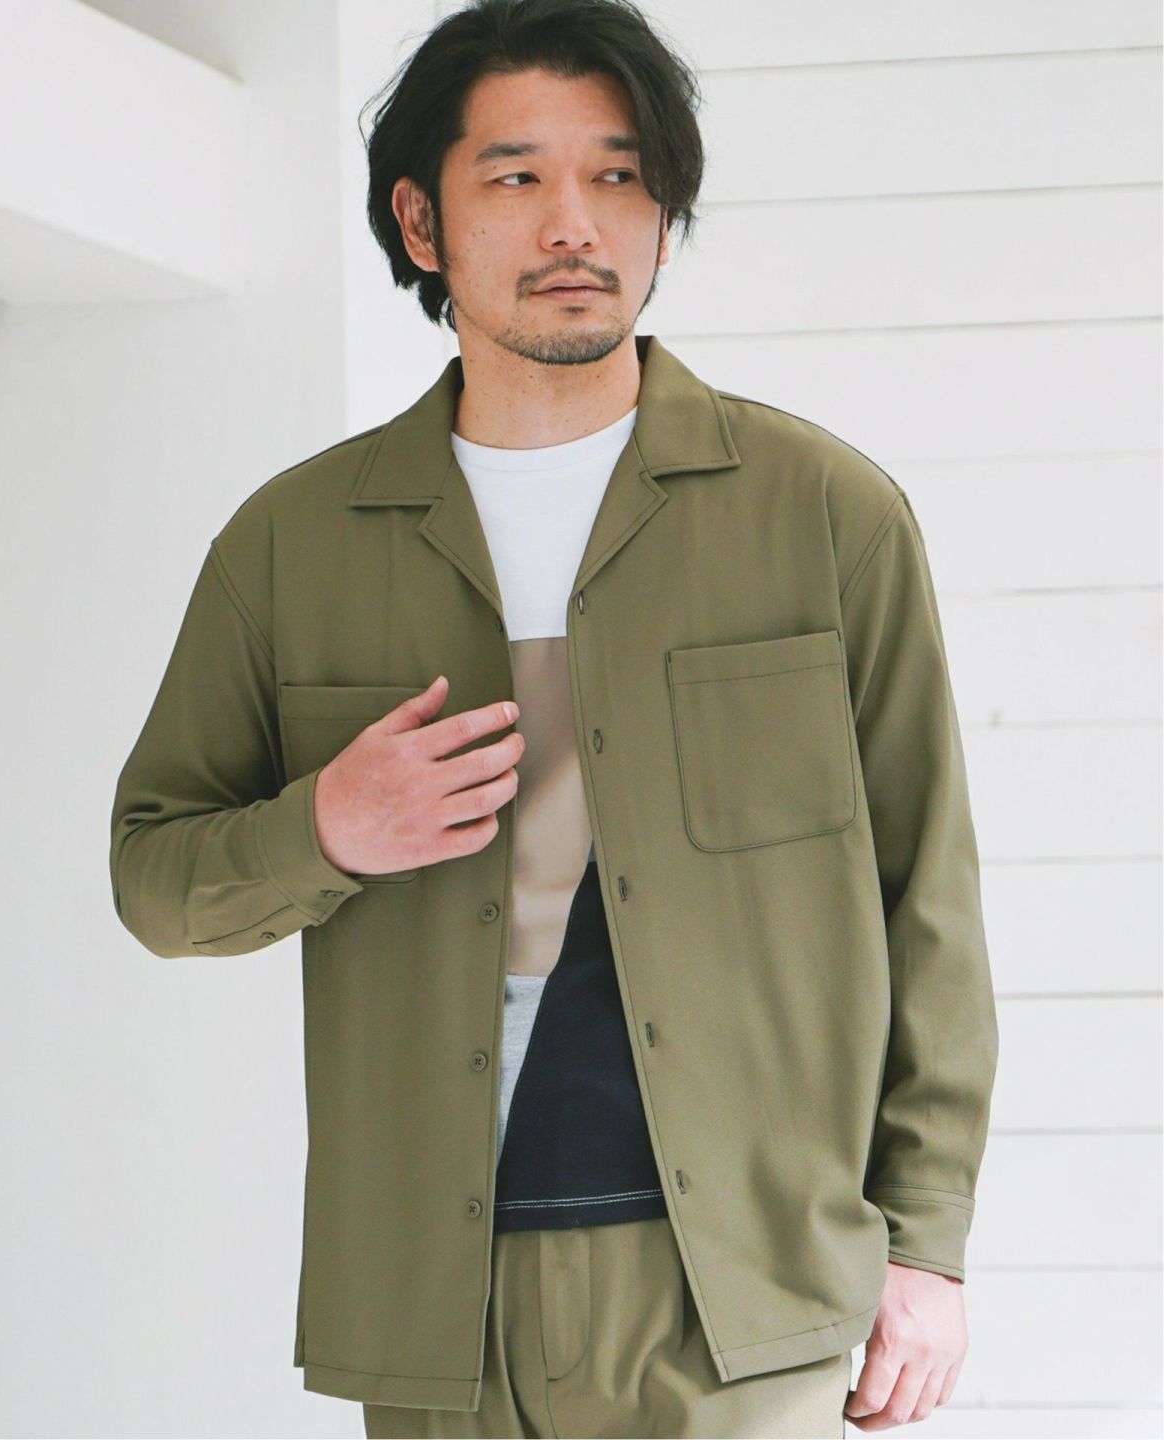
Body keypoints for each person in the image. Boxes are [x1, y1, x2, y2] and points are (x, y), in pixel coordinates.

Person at [109, 2, 999, 1436]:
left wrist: (927, 1241)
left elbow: (928, 898)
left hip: (745, 1287)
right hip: (437, 1300)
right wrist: (327, 826)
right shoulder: (292, 546)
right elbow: (155, 877)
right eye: (516, 175)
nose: (575, 222)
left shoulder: (825, 516)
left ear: (664, 216)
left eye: (620, 175)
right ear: (420, 220)